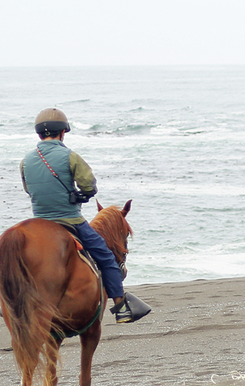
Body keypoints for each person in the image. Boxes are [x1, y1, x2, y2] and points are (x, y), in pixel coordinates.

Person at [20, 108, 150, 323]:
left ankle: (16, 300)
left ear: (39, 134)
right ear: (62, 132)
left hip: (39, 223)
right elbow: (88, 184)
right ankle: (121, 307)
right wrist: (84, 195)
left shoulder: (26, 160)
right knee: (107, 258)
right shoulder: (69, 156)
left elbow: (28, 189)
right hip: (70, 220)